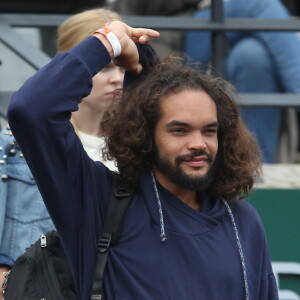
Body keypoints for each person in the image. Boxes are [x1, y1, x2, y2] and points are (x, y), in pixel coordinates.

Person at [7, 20, 279, 300]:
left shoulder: (242, 221)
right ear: (146, 137)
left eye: (209, 130)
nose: (199, 144)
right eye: (179, 130)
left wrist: (139, 69)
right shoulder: (99, 204)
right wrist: (109, 41)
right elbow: (33, 109)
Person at [0, 8, 123, 299]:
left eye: (123, 67)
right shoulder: (14, 146)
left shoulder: (136, 151)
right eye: (105, 67)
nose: (117, 78)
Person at [184, 0, 300, 163]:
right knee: (261, 4)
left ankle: (255, 168)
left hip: (259, 31)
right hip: (187, 26)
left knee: (252, 55)